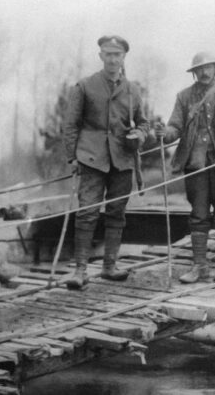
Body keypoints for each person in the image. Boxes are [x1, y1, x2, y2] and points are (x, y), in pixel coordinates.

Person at [154, 52, 215, 283]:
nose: (204, 72)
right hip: (196, 165)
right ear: (194, 72)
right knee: (198, 215)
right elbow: (174, 128)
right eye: (199, 69)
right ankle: (199, 266)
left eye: (208, 67)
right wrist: (163, 134)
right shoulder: (184, 97)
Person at [62, 35, 150, 287]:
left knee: (116, 213)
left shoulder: (132, 90)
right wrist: (72, 158)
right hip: (91, 159)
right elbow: (71, 125)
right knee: (87, 212)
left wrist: (139, 135)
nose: (113, 59)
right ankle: (80, 271)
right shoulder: (85, 86)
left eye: (117, 55)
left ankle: (109, 266)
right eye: (108, 54)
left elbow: (142, 122)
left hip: (122, 160)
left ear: (124, 58)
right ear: (101, 56)